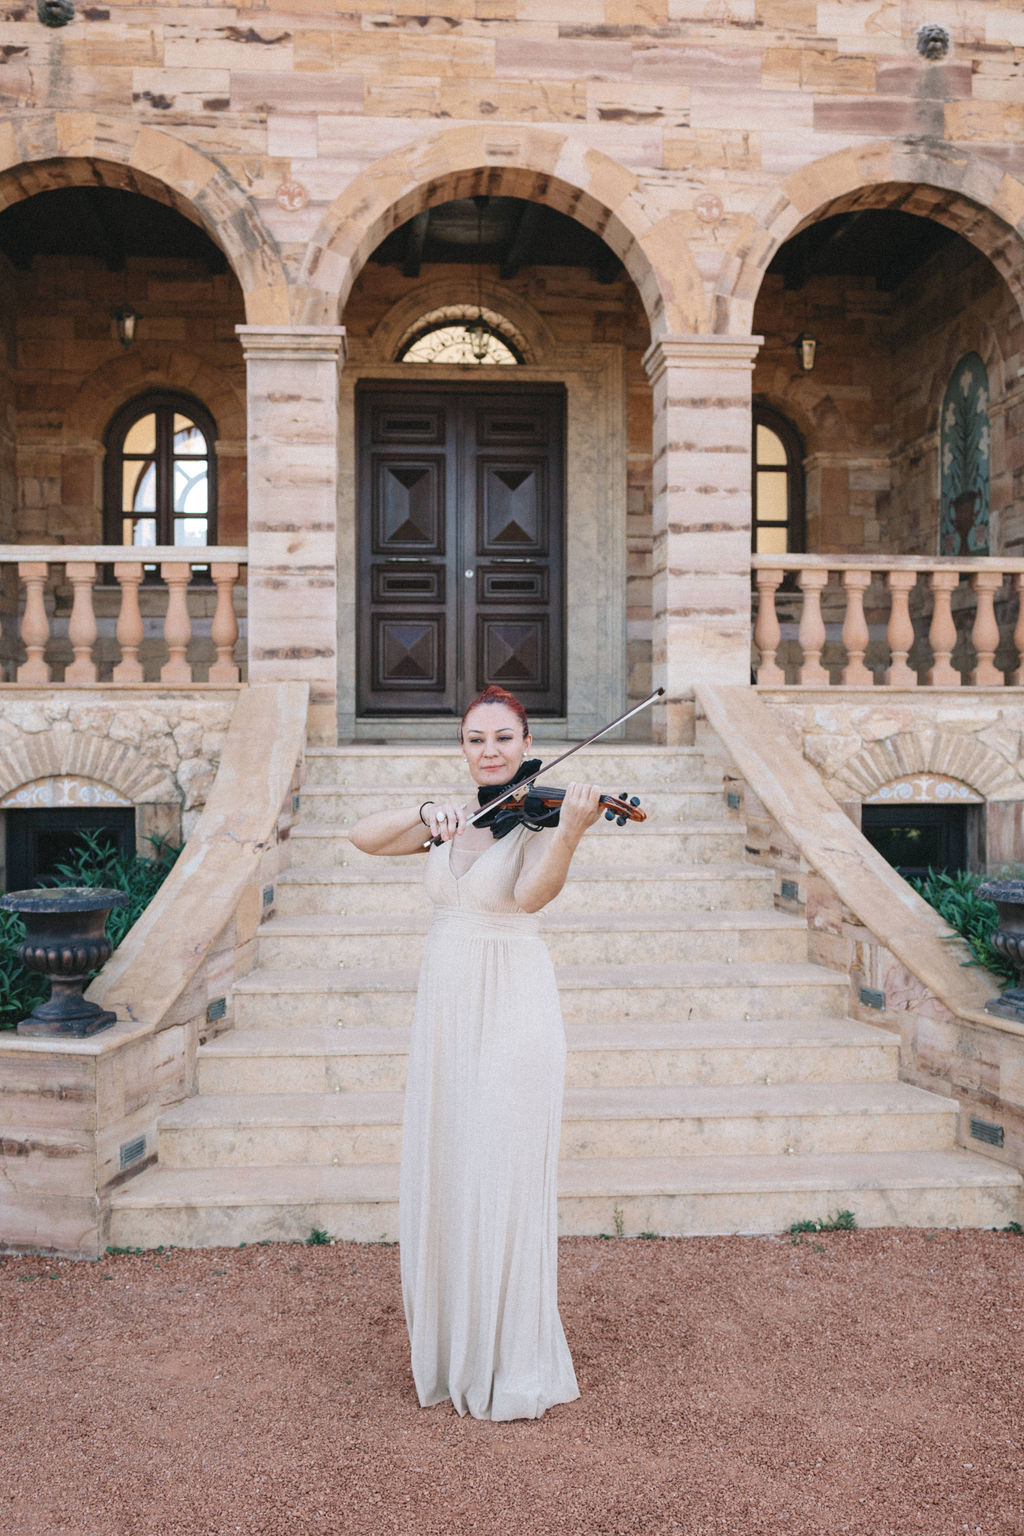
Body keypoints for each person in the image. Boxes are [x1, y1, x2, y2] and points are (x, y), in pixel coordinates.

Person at [347, 684, 604, 1421]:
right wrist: (426, 814)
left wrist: (573, 832)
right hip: (449, 1010)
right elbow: (364, 837)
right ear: (463, 748)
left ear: (527, 745)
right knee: (454, 1166)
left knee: (499, 1169)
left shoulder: (537, 821)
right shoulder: (452, 822)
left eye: (502, 738)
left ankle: (508, 1361)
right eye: (474, 739)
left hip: (513, 1005)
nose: (488, 750)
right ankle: (459, 1351)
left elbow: (530, 897)